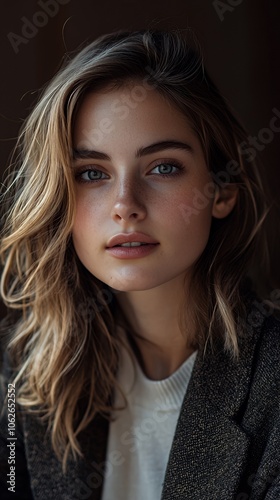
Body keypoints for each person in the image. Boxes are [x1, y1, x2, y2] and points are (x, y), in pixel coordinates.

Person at [0, 29, 280, 500]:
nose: (125, 205)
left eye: (163, 166)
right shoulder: (21, 374)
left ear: (223, 189)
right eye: (92, 174)